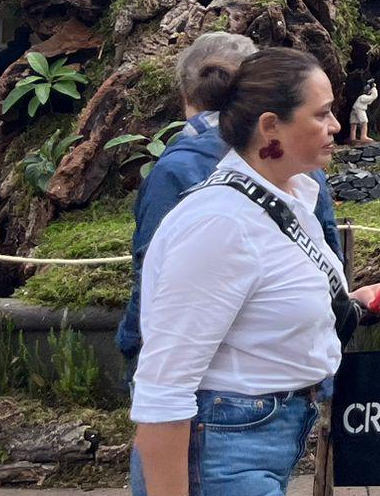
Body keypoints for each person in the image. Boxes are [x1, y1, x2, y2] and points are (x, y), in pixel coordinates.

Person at [128, 49, 380, 496]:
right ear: (271, 128)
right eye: (323, 114)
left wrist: (351, 304)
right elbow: (162, 382)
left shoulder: (291, 197)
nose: (337, 125)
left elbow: (263, 311)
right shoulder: (220, 223)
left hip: (258, 440)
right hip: (220, 455)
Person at [118, 33, 344, 374]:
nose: (334, 127)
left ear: (186, 93)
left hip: (261, 385)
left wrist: (131, 343)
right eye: (321, 113)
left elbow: (151, 278)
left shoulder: (177, 169)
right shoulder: (291, 165)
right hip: (247, 388)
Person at [346, 78, 379, 145]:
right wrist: (374, 89)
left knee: (354, 123)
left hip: (355, 109)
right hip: (359, 109)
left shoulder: (361, 97)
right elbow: (373, 96)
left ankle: (352, 137)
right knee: (364, 122)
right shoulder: (363, 97)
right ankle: (363, 136)